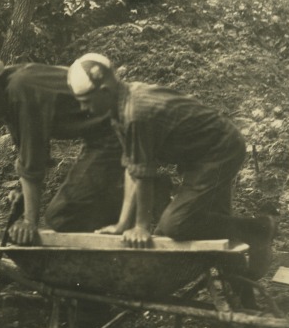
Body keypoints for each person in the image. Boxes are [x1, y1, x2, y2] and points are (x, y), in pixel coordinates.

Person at [67, 53, 275, 278]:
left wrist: (141, 227)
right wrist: (123, 224)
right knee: (213, 225)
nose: (83, 108)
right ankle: (240, 281)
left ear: (104, 90)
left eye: (86, 101)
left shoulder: (135, 112)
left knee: (174, 225)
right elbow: (133, 169)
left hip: (220, 151)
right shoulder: (119, 109)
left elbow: (144, 175)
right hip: (201, 156)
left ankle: (258, 230)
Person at [0, 60, 124, 245]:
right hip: (101, 137)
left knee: (61, 215)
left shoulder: (20, 92)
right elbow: (27, 154)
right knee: (69, 208)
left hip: (116, 134)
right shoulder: (13, 85)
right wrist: (22, 191)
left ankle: (123, 224)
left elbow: (33, 160)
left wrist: (29, 222)